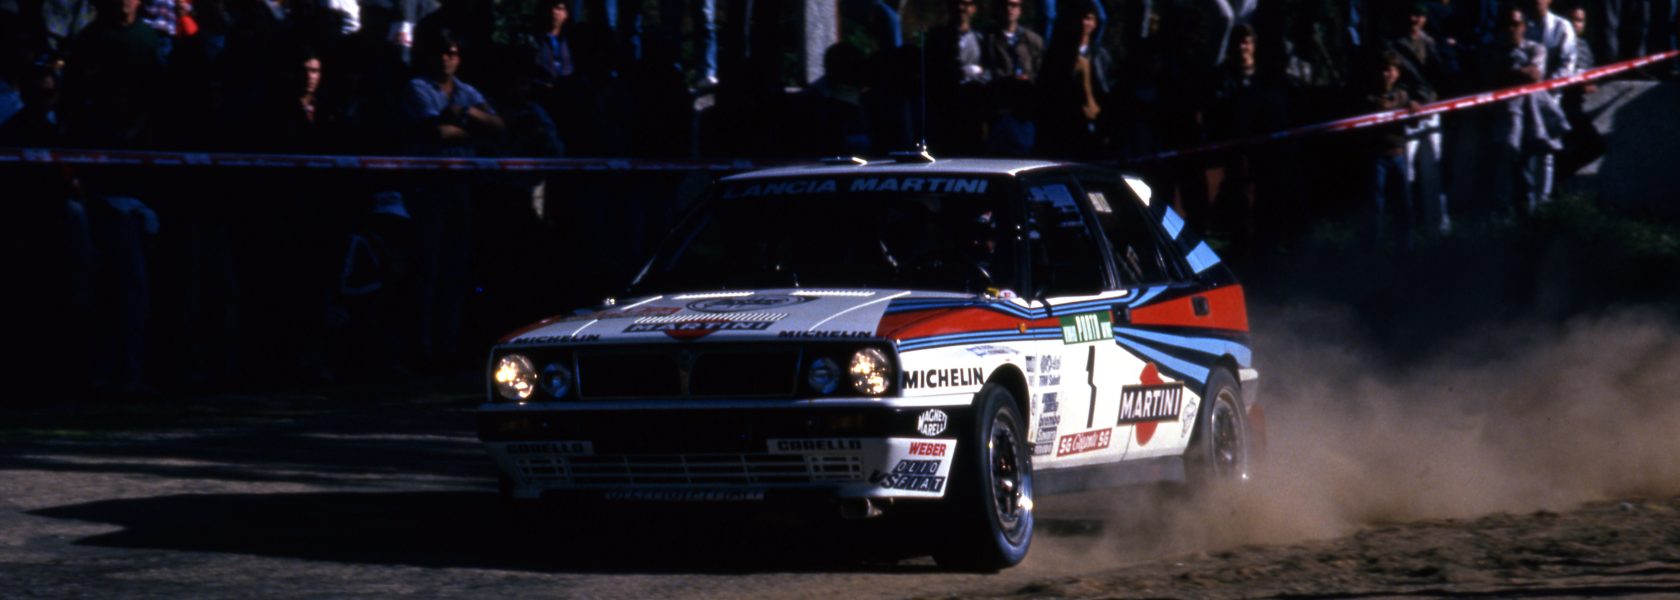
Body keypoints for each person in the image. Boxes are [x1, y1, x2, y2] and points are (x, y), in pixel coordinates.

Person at [1478, 5, 1549, 218]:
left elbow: (1535, 75)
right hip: (1502, 117)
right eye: (1507, 24)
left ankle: (1529, 213)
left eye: (1516, 24)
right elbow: (1491, 77)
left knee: (1526, 165)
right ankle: (1502, 214)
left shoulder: (1535, 48)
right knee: (1502, 165)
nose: (1511, 29)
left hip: (1530, 115)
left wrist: (1509, 73)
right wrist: (1518, 73)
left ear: (1524, 26)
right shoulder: (1493, 50)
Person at [1388, 3, 1452, 234]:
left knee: (1433, 168)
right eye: (1411, 14)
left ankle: (1439, 226)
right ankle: (1407, 229)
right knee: (1407, 173)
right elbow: (1394, 81)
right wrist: (1407, 101)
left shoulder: (1431, 43)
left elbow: (1439, 75)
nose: (1415, 20)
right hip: (1408, 114)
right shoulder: (1394, 46)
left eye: (1419, 15)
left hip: (1432, 110)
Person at [1363, 50, 1415, 248]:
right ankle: (1372, 247)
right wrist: (1383, 106)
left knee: (1403, 203)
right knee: (1376, 204)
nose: (1387, 74)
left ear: (1398, 72)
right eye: (1383, 70)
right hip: (1377, 157)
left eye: (1391, 70)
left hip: (1398, 156)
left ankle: (1405, 246)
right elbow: (1373, 110)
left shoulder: (1403, 96)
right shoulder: (1370, 96)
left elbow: (1413, 122)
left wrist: (1414, 109)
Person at [985, 0, 1044, 84]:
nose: (1008, 8)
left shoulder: (1033, 40)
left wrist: (1030, 77)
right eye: (1005, 4)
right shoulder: (990, 39)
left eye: (1014, 5)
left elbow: (1041, 71)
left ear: (1020, 9)